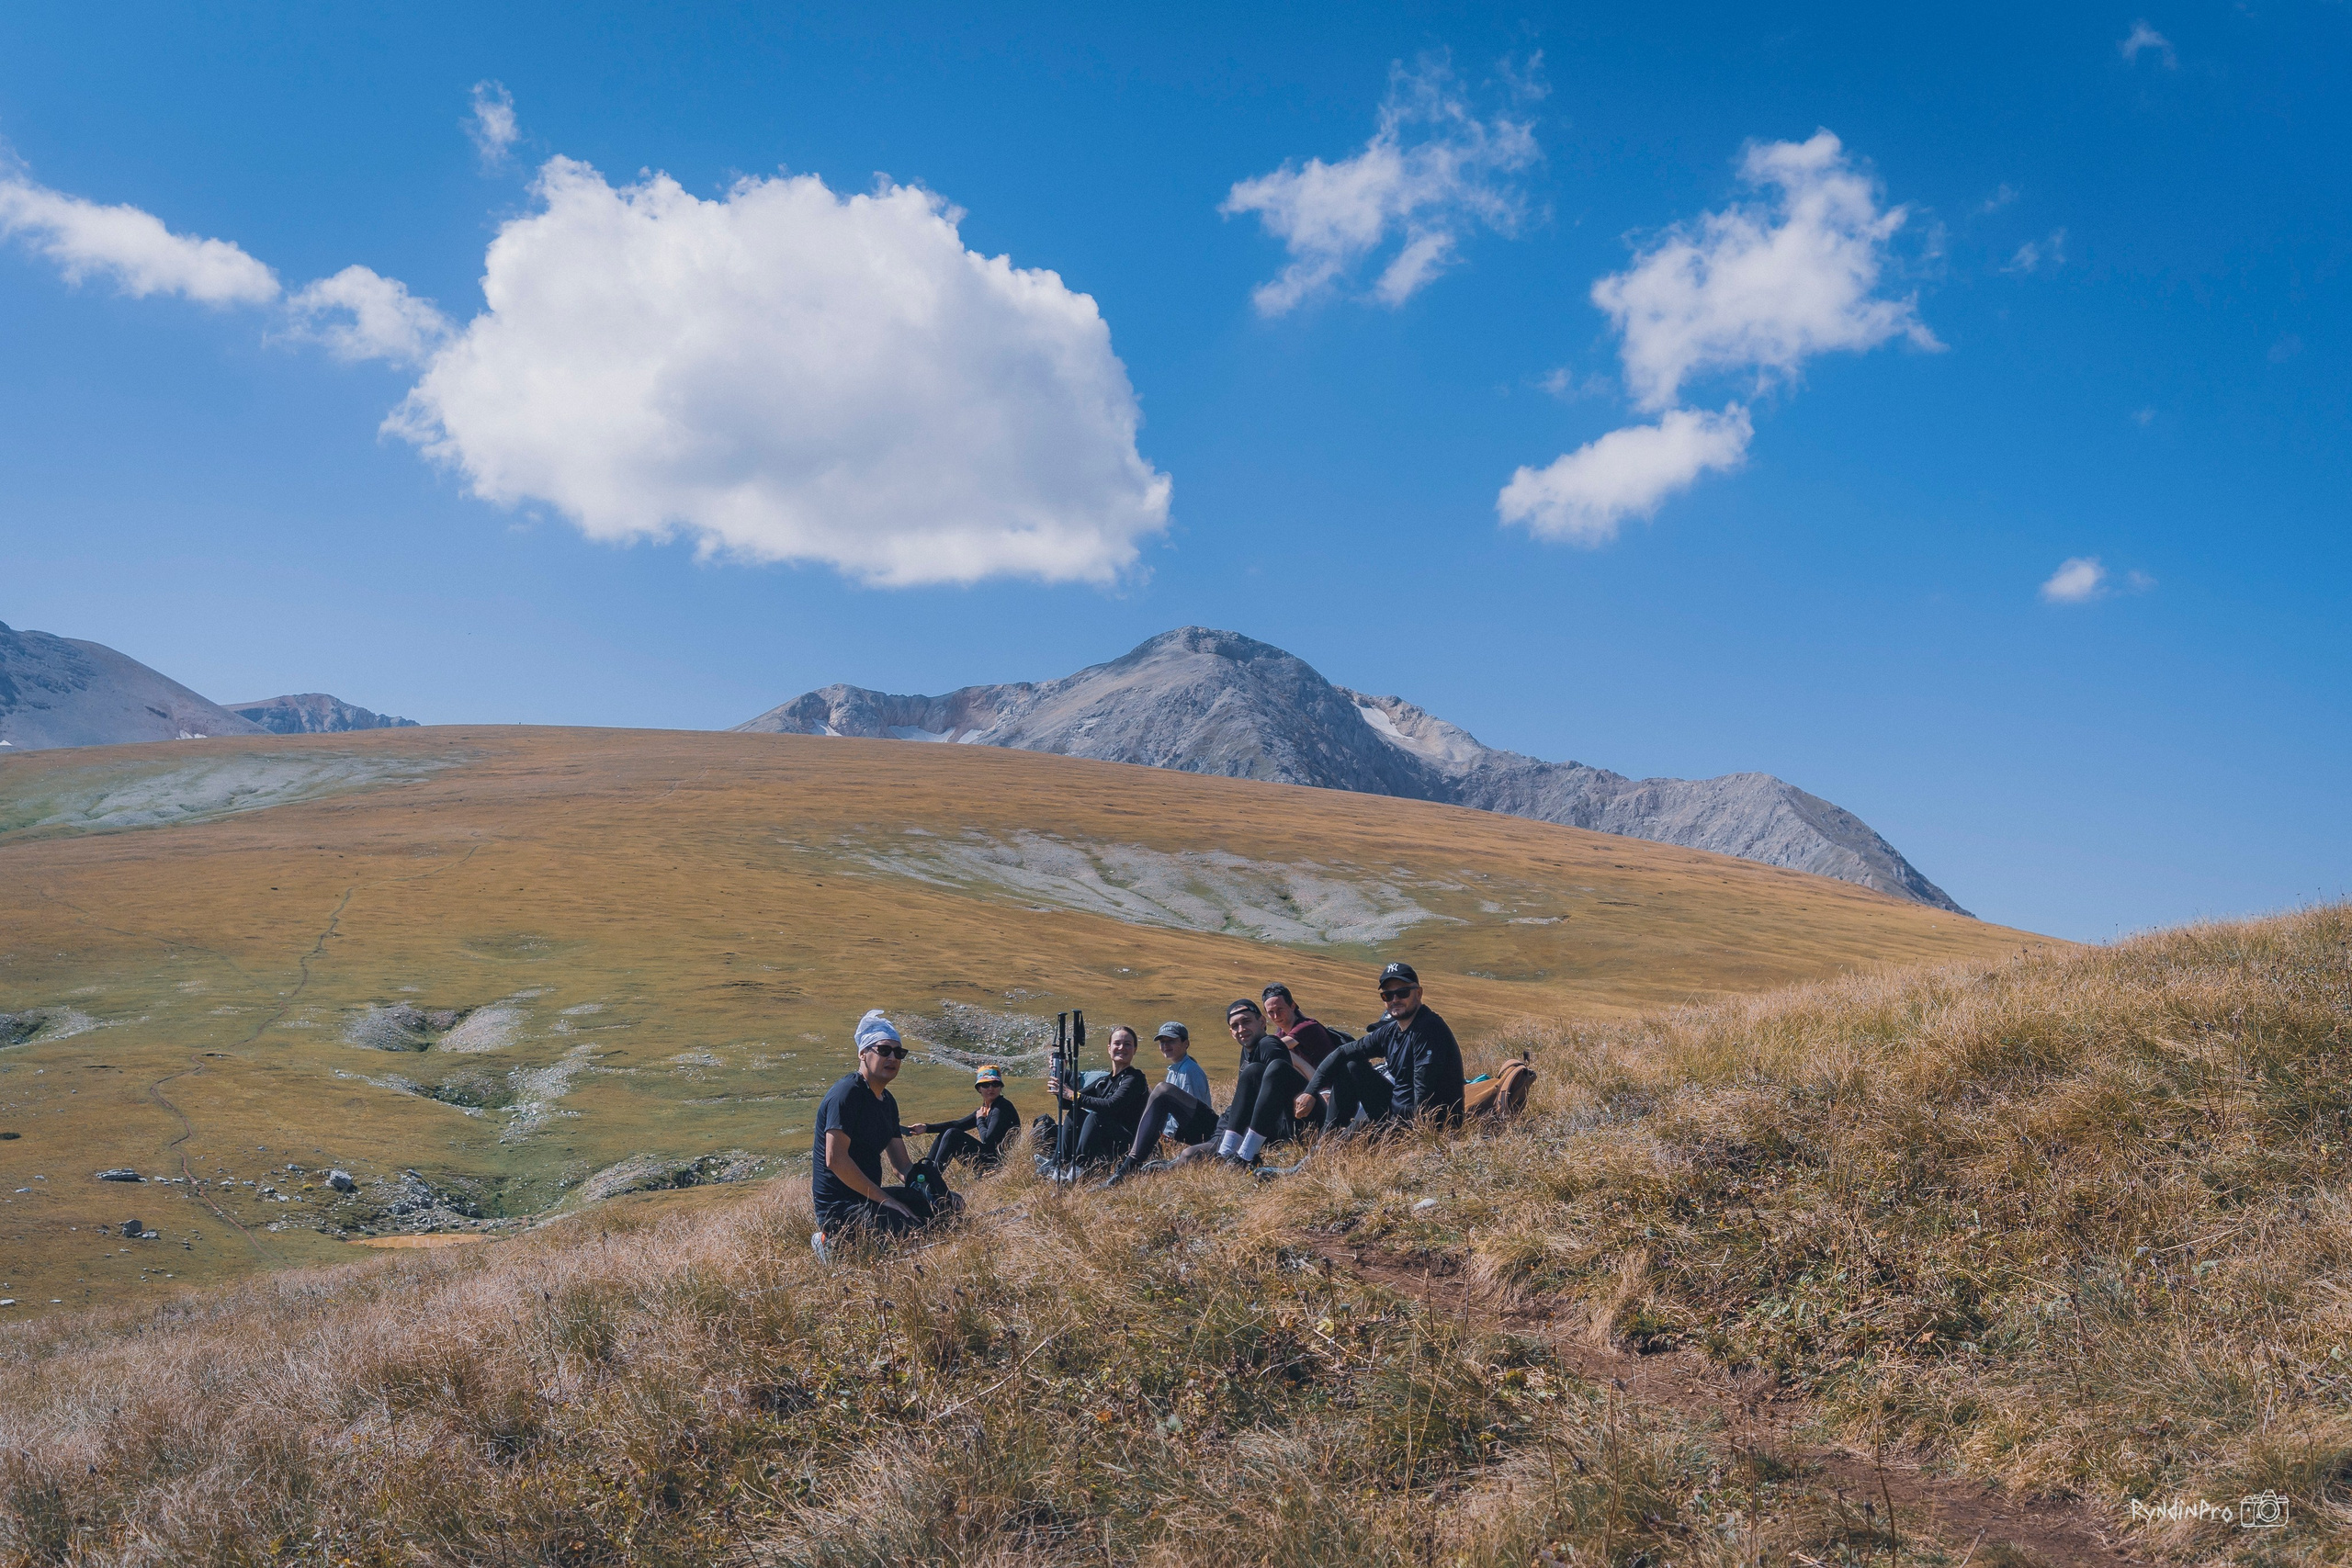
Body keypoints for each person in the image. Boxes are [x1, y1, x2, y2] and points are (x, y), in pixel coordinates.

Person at [811, 1010, 945, 1248]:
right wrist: (885, 1200)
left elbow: (901, 1166)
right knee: (911, 1233)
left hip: (869, 1198)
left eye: (899, 1052)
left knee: (941, 1215)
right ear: (863, 1053)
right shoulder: (847, 1094)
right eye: (884, 1050)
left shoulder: (887, 1102)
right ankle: (830, 1242)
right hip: (840, 1207)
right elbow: (835, 1160)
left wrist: (936, 1192)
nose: (892, 1058)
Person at [1295, 962, 1464, 1129]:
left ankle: (1333, 1143)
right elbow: (1342, 1052)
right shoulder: (1390, 1031)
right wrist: (1310, 1092)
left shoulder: (1429, 1029)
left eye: (1403, 992)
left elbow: (1423, 1094)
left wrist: (1402, 1136)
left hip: (1428, 1124)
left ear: (1419, 993)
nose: (1395, 1000)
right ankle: (1326, 1139)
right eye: (1388, 996)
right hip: (1396, 1115)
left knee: (1351, 1140)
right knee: (1351, 1066)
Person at [1209, 985, 1342, 1166]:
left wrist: (1318, 1091)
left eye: (1279, 1009)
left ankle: (1247, 1155)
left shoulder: (1306, 1027)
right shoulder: (1274, 1038)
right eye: (1271, 1012)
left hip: (1316, 1108)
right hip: (1286, 1119)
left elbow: (1286, 1056)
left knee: (1272, 1060)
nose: (1275, 1016)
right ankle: (1227, 1153)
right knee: (1254, 1070)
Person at [1101, 1021, 1220, 1186]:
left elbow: (1193, 1113)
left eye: (1171, 1041)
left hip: (1200, 1134)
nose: (1165, 1045)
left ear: (1186, 1043)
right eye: (1162, 1042)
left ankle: (1128, 1167)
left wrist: (1167, 1135)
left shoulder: (1189, 1071)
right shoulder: (1176, 1069)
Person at [1038, 1021, 1148, 1173]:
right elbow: (1069, 1104)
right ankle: (1059, 1166)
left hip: (1129, 1146)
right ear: (1109, 1049)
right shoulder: (1104, 1081)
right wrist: (1061, 1076)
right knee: (1075, 1115)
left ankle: (1078, 1170)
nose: (1122, 1048)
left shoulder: (1135, 1078)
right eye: (1117, 1043)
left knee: (1097, 1118)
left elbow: (1111, 1105)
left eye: (1127, 1044)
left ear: (1135, 1049)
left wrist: (1072, 1094)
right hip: (1107, 1142)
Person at [905, 1064, 1020, 1174]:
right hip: (988, 1158)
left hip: (997, 1163)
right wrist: (926, 1127)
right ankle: (925, 1172)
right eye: (986, 1085)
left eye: (995, 1084)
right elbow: (958, 1124)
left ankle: (933, 1178)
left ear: (1001, 1087)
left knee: (952, 1134)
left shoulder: (1001, 1108)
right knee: (946, 1132)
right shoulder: (986, 1109)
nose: (991, 1088)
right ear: (979, 1089)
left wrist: (979, 1119)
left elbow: (987, 1139)